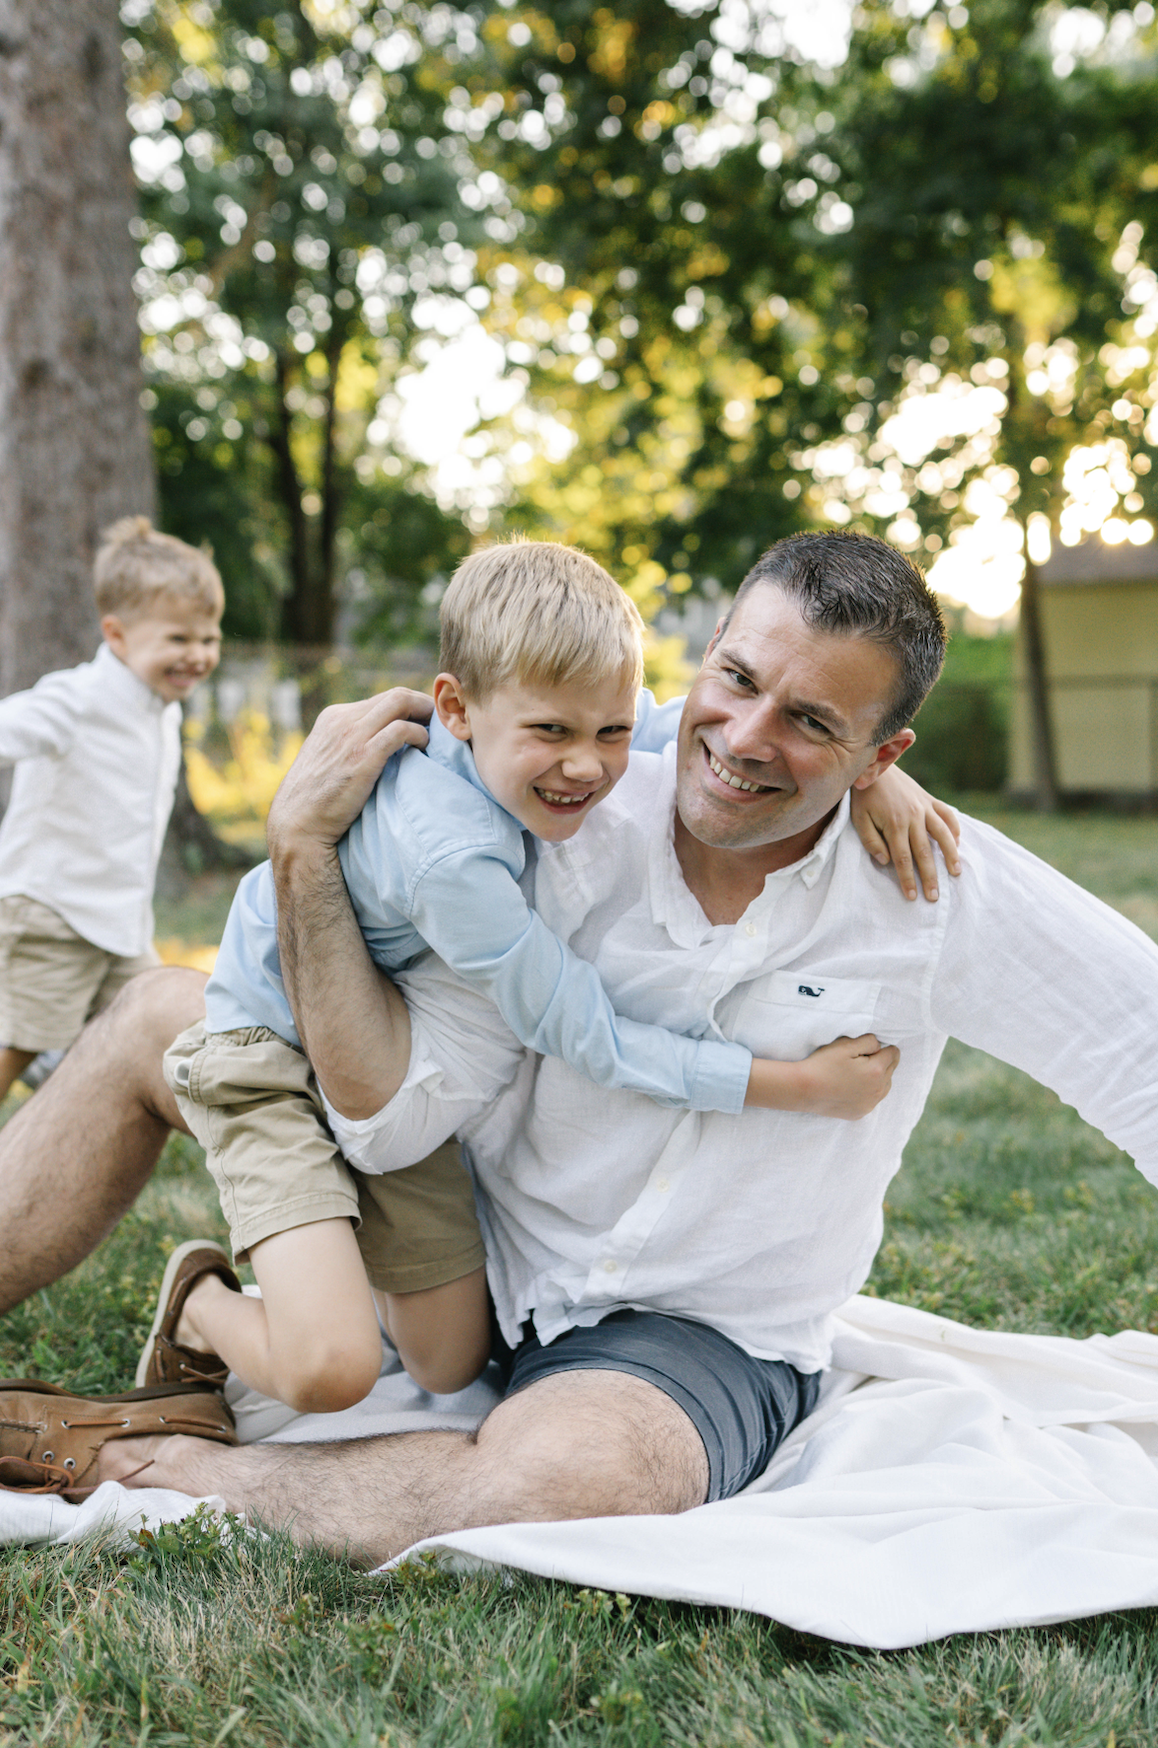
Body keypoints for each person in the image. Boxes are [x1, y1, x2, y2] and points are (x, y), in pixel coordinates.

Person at [4, 528, 1152, 1570]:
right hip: (468, 1222)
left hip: (692, 1332)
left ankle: (136, 1469)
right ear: (705, 657)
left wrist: (873, 781)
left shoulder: (933, 884)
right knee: (163, 1012)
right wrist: (301, 846)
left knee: (580, 1478)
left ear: (882, 751)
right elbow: (474, 730)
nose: (744, 742)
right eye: (739, 681)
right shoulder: (580, 785)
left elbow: (1137, 1035)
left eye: (812, 722)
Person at [143, 539, 956, 1417]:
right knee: (329, 1373)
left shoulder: (534, 711)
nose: (589, 764)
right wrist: (789, 1084)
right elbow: (585, 1033)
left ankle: (330, 1266)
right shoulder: (451, 860)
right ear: (457, 707)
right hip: (270, 1050)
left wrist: (869, 776)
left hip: (388, 1048)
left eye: (608, 731)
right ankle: (200, 1304)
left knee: (450, 1368)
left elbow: (697, 729)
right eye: (553, 734)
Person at [0, 518, 223, 1102]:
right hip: (52, 911)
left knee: (159, 1023)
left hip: (121, 926)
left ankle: (72, 1079)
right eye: (178, 640)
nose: (197, 656)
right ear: (117, 635)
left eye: (209, 639)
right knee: (18, 1040)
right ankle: (47, 1063)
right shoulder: (76, 698)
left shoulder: (161, 707)